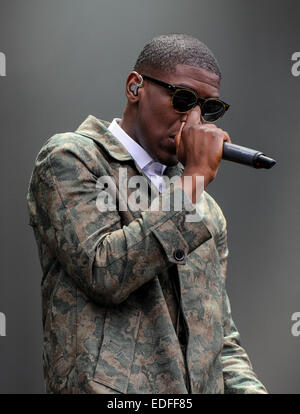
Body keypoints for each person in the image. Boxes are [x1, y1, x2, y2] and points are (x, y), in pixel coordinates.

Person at [26, 34, 267, 394]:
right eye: (183, 99)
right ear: (135, 86)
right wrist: (196, 177)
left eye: (209, 109)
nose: (194, 121)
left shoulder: (203, 208)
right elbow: (104, 271)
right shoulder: (71, 159)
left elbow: (219, 339)